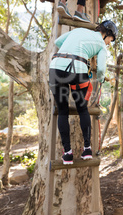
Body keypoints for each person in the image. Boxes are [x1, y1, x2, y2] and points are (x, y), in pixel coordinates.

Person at [49, 20, 118, 164]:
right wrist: (100, 79)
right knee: (82, 110)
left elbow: (57, 41)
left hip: (55, 68)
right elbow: (100, 70)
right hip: (77, 71)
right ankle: (87, 149)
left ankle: (67, 153)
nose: (109, 43)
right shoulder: (101, 45)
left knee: (62, 111)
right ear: (108, 34)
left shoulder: (78, 30)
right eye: (111, 39)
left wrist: (69, 52)